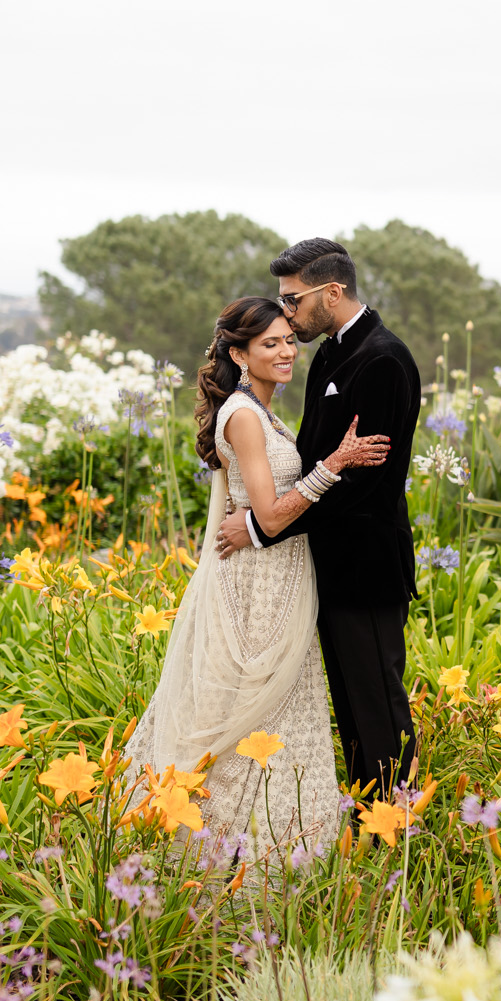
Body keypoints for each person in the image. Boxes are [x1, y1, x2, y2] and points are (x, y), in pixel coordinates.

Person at [122, 296, 386, 846]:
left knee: (273, 717)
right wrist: (335, 464)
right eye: (271, 343)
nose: (287, 351)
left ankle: (275, 842)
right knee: (250, 712)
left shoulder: (262, 412)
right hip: (256, 586)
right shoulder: (243, 416)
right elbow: (267, 514)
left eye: (290, 339)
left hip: (279, 577)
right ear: (239, 354)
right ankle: (228, 849)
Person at [214, 238, 423, 795]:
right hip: (324, 566)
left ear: (332, 292)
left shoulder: (382, 358)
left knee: (377, 705)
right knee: (352, 710)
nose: (286, 312)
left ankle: (393, 830)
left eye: (293, 300)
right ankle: (363, 818)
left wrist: (261, 527)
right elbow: (313, 455)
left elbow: (362, 482)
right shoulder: (329, 353)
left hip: (366, 568)